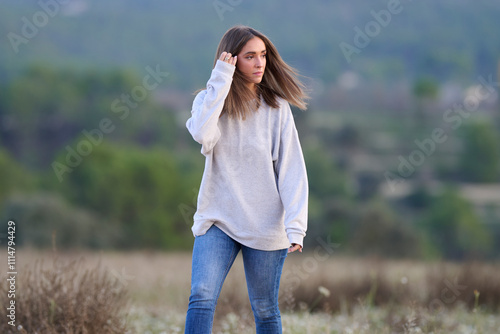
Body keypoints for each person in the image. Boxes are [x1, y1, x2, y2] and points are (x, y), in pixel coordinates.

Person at [184, 25, 309, 334]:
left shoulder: (276, 108)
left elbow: (291, 167)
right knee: (201, 296)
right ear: (231, 60)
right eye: (250, 56)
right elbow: (202, 134)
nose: (259, 63)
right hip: (218, 219)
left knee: (265, 310)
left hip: (266, 224)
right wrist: (220, 80)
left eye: (263, 55)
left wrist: (296, 224)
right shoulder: (208, 102)